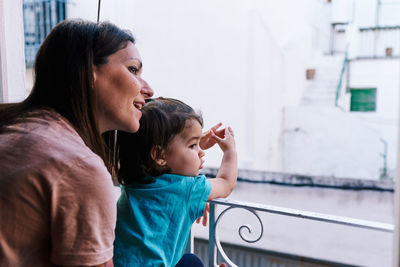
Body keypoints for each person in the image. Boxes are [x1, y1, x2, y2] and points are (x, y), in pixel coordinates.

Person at [0, 19, 153, 266]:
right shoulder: (78, 167)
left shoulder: (19, 130)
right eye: (133, 70)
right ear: (89, 72)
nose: (149, 89)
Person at [114, 97, 238, 267]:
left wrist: (195, 141)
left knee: (189, 261)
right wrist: (230, 151)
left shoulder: (132, 181)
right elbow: (226, 182)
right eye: (193, 145)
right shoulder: (187, 189)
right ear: (160, 155)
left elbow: (160, 150)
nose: (201, 152)